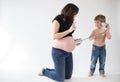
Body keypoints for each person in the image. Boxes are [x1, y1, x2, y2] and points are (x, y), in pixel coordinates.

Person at [38, 3, 79, 82]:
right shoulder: (58, 19)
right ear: (70, 12)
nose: (76, 16)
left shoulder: (71, 20)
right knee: (60, 79)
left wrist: (74, 42)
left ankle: (59, 71)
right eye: (75, 14)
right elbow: (54, 36)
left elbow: (68, 36)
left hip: (68, 53)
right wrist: (69, 30)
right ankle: (44, 71)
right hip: (58, 52)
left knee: (68, 76)